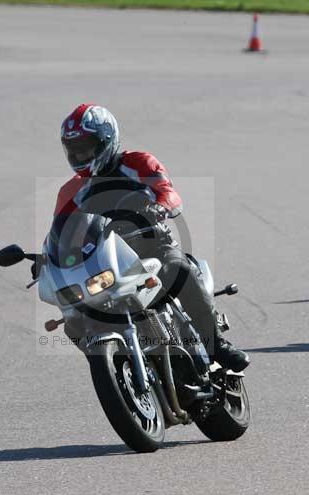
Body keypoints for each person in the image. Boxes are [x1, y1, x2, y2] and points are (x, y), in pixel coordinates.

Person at [50, 103, 249, 372]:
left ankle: (216, 343)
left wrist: (160, 206)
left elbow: (168, 192)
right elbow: (60, 231)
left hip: (152, 246)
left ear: (107, 140)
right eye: (74, 149)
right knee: (74, 319)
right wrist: (47, 259)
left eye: (86, 147)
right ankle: (112, 367)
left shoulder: (137, 163)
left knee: (179, 270)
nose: (79, 154)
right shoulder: (71, 191)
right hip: (104, 261)